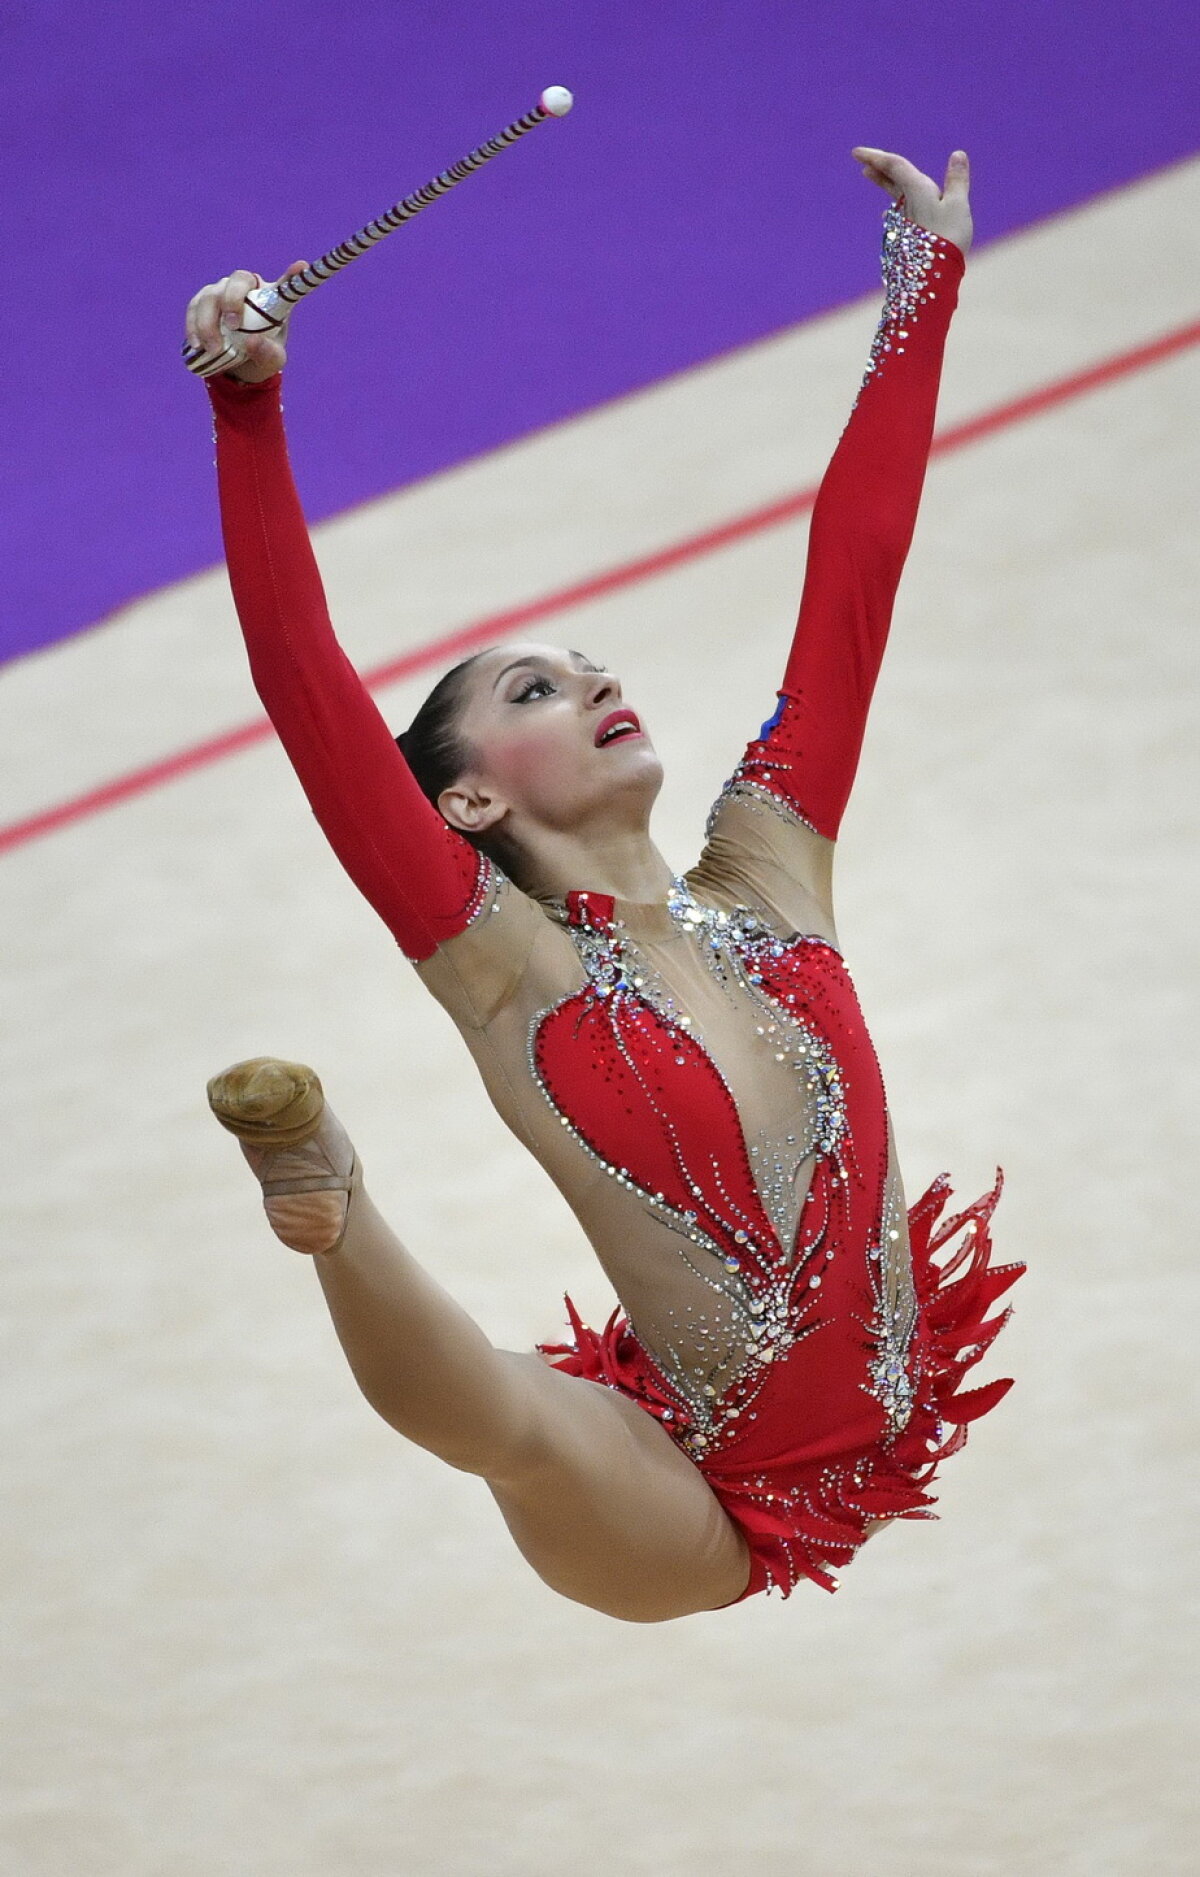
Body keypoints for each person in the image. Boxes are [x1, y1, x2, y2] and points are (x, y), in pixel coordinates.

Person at [190, 146, 1023, 1622]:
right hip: (683, 1500)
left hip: (893, 1423)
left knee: (526, 1422)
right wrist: (248, 413)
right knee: (516, 1422)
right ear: (467, 797)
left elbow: (855, 578)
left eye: (593, 669)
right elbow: (308, 689)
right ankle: (334, 1195)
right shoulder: (502, 962)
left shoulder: (771, 873)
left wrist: (924, 281)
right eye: (539, 687)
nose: (596, 683)